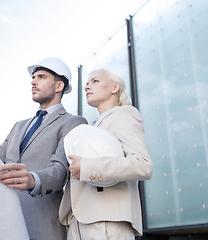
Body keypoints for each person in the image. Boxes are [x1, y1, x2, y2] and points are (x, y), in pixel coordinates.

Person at [0, 57, 87, 240]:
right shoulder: (18, 126)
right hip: (5, 221)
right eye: (34, 77)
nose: (33, 81)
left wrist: (32, 179)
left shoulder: (73, 123)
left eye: (41, 77)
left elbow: (61, 169)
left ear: (59, 86)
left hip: (42, 223)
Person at [59, 68, 153, 240]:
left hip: (107, 224)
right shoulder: (96, 127)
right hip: (80, 222)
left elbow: (142, 165)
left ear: (114, 87)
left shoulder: (124, 115)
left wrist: (87, 167)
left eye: (95, 81)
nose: (87, 86)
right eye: (87, 83)